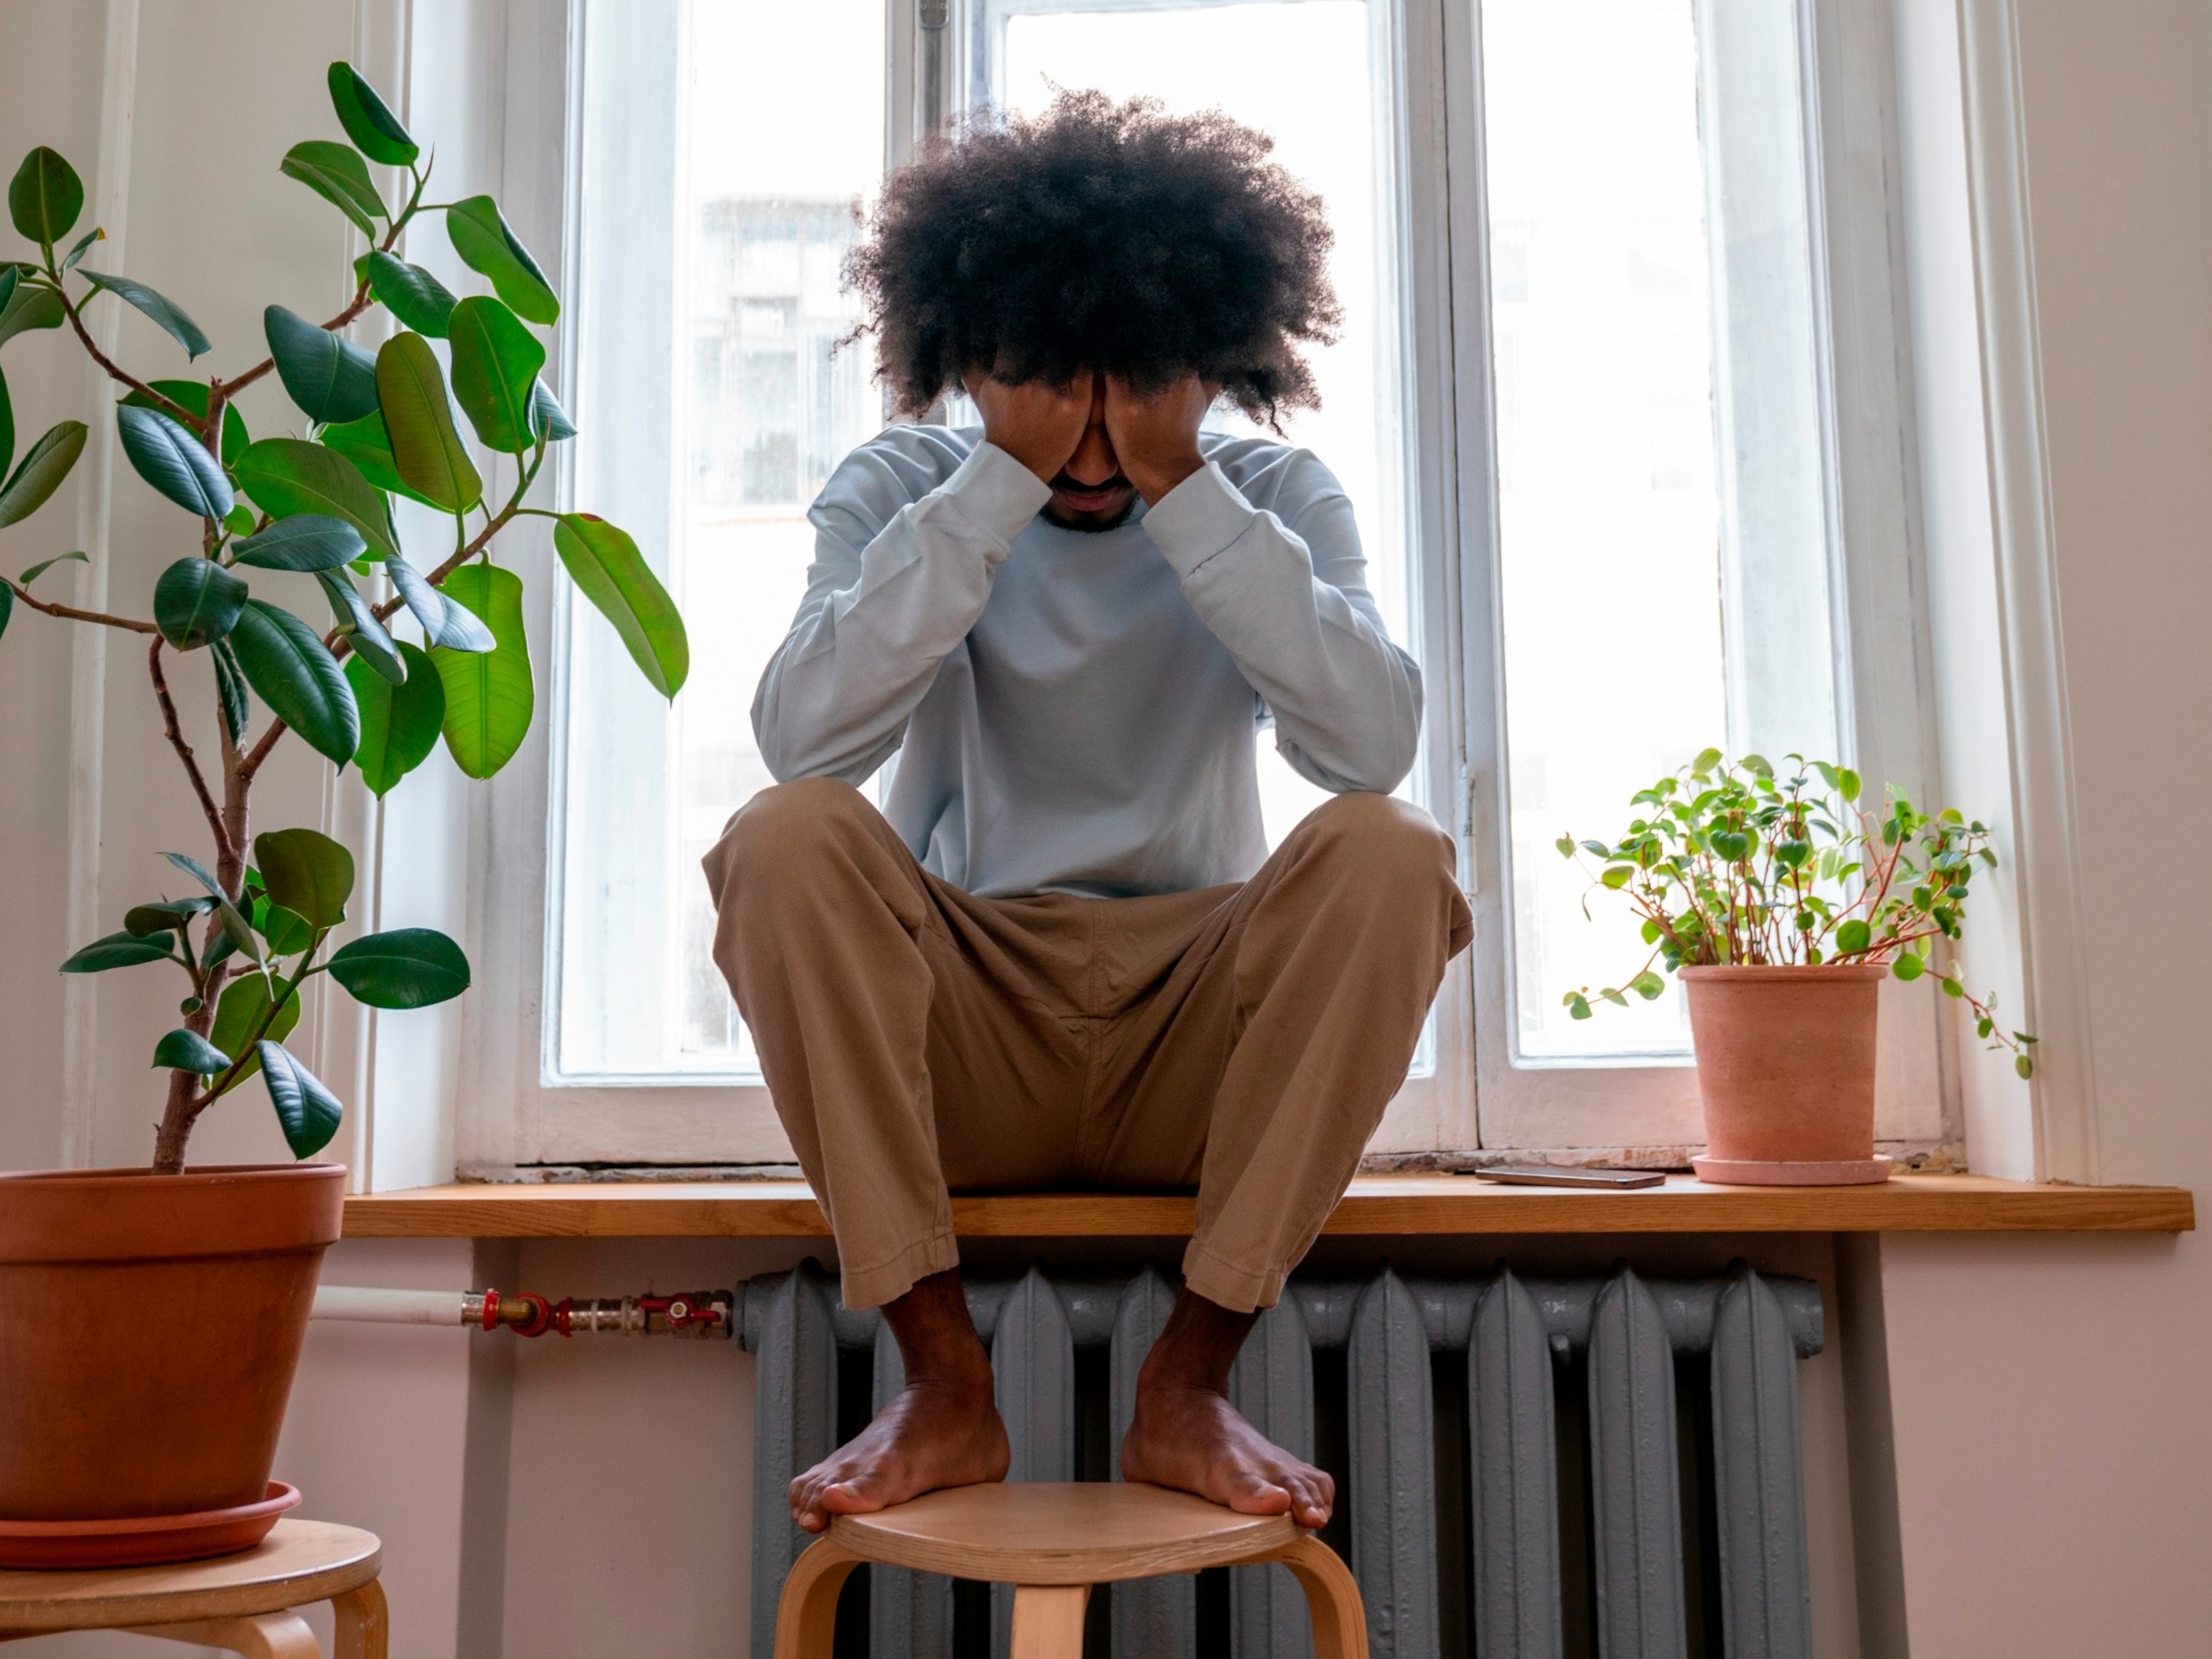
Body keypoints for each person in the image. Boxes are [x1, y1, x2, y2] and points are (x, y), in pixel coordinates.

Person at [703, 91, 1471, 1538]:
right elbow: (805, 740)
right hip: (969, 1032)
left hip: (1199, 1035)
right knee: (782, 837)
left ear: (1212, 357)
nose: (1096, 435)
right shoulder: (907, 487)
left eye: (1141, 385)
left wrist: (1189, 491)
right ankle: (944, 1384)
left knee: (1395, 851)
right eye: (1053, 383)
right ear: (974, 357)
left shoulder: (1272, 497)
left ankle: (1190, 1382)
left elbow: (1369, 747)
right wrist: (993, 481)